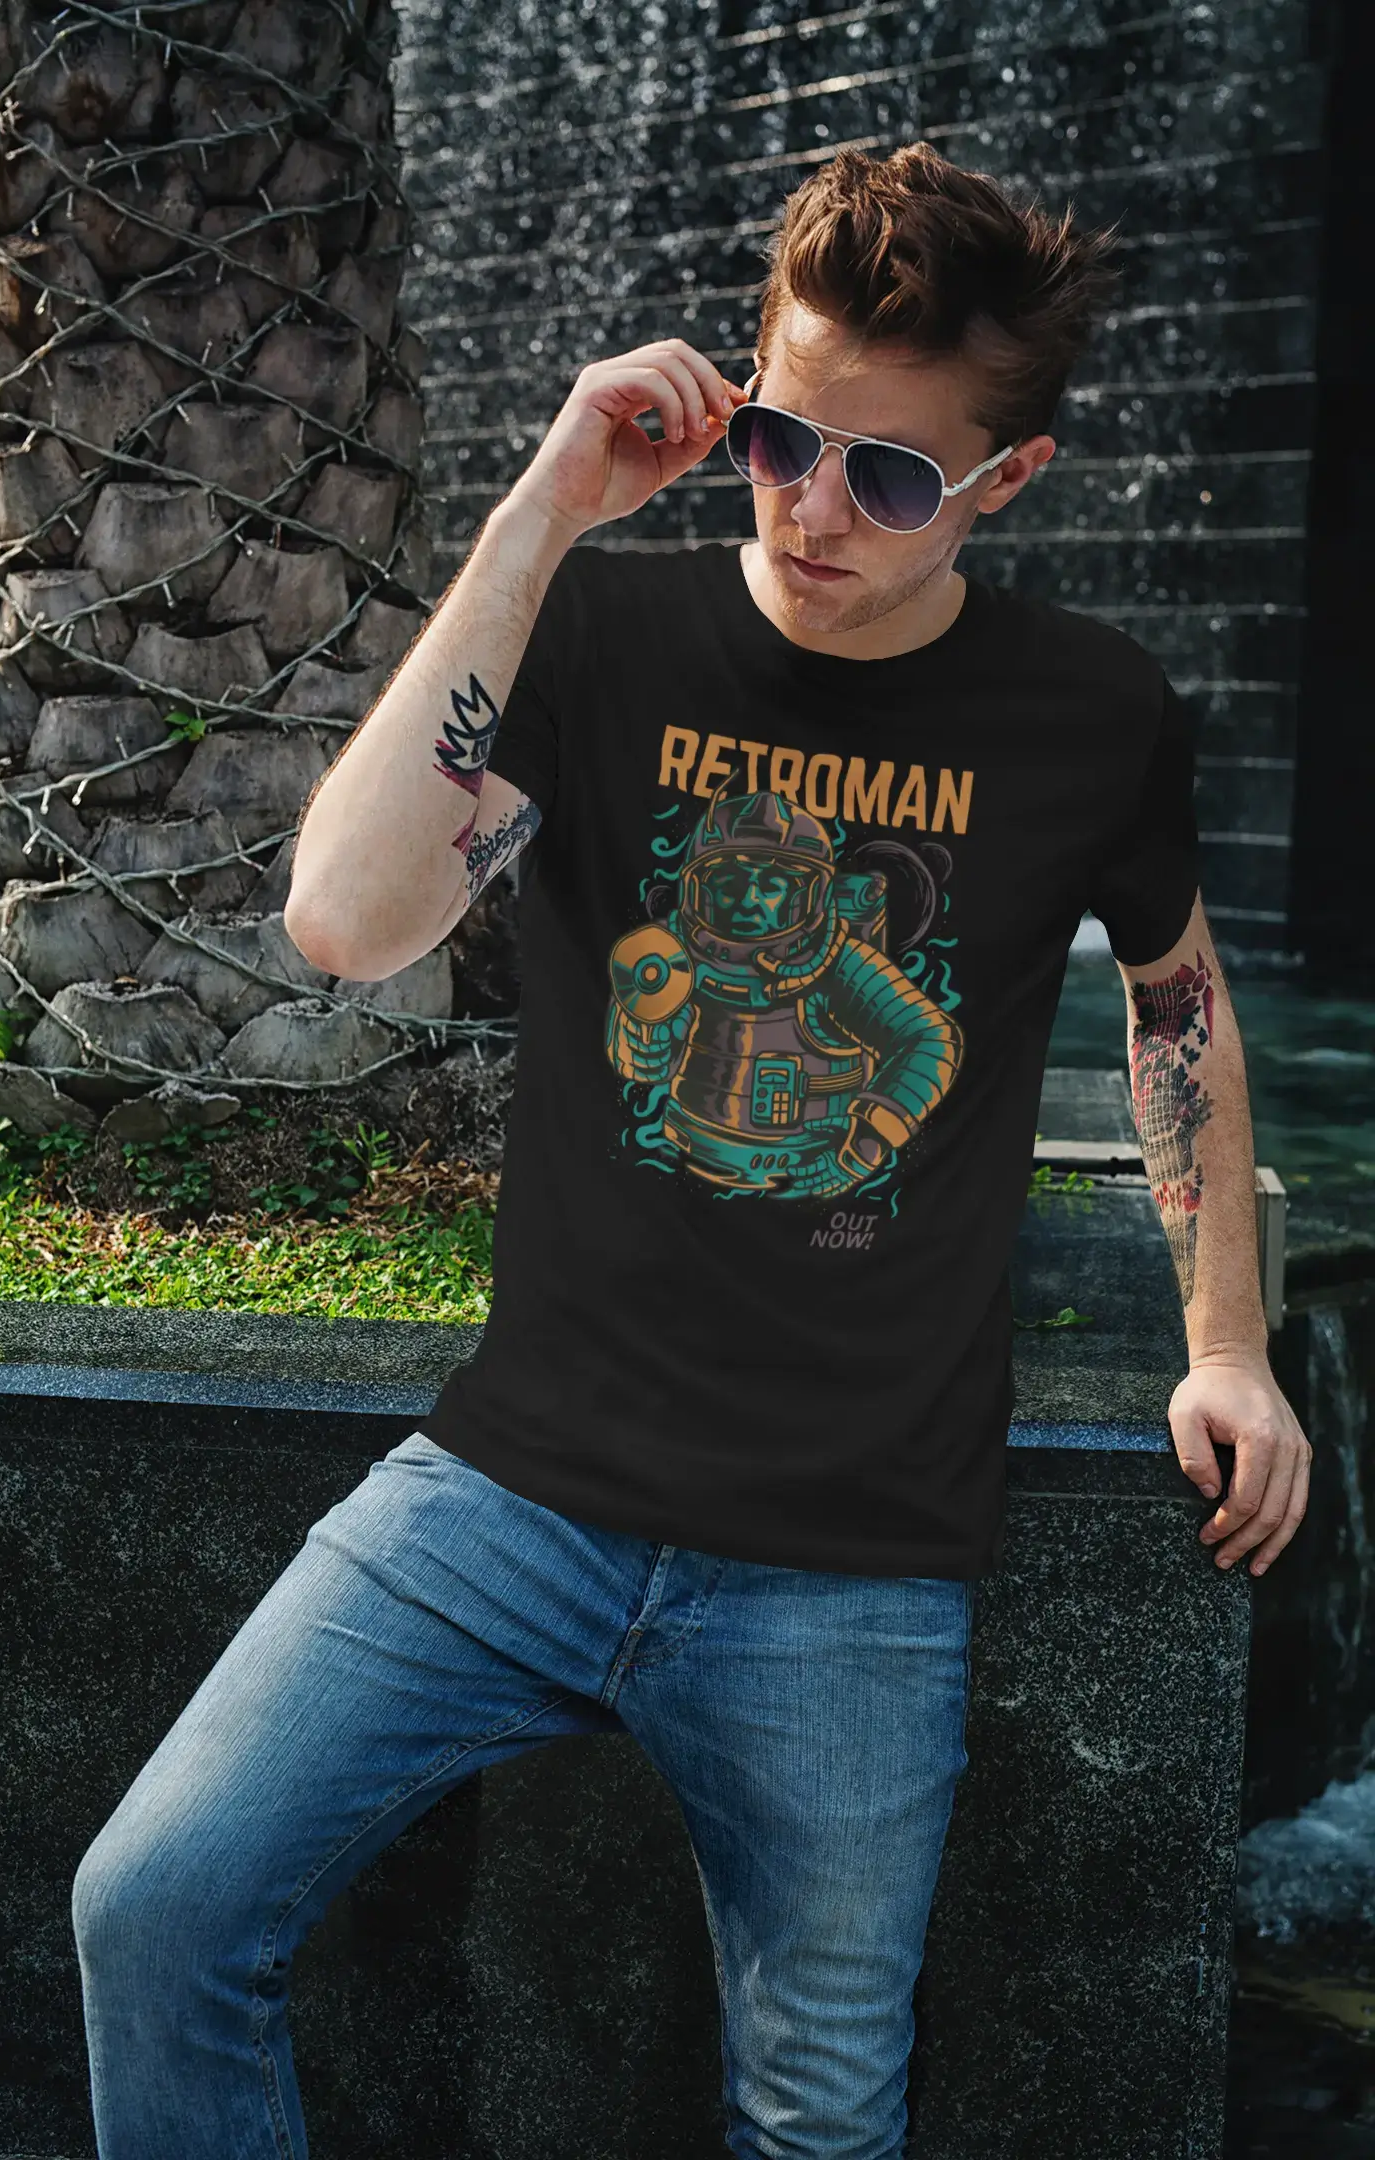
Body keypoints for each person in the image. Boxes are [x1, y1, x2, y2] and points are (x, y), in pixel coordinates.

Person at [72, 141, 1311, 2158]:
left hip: (852, 1560)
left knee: (819, 2121)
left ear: (1007, 481)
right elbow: (349, 923)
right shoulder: (599, 641)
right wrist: (546, 509)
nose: (812, 510)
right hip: (509, 1495)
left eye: (888, 477)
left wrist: (1229, 1343)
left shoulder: (1092, 710)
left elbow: (1176, 1006)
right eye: (782, 441)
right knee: (156, 1903)